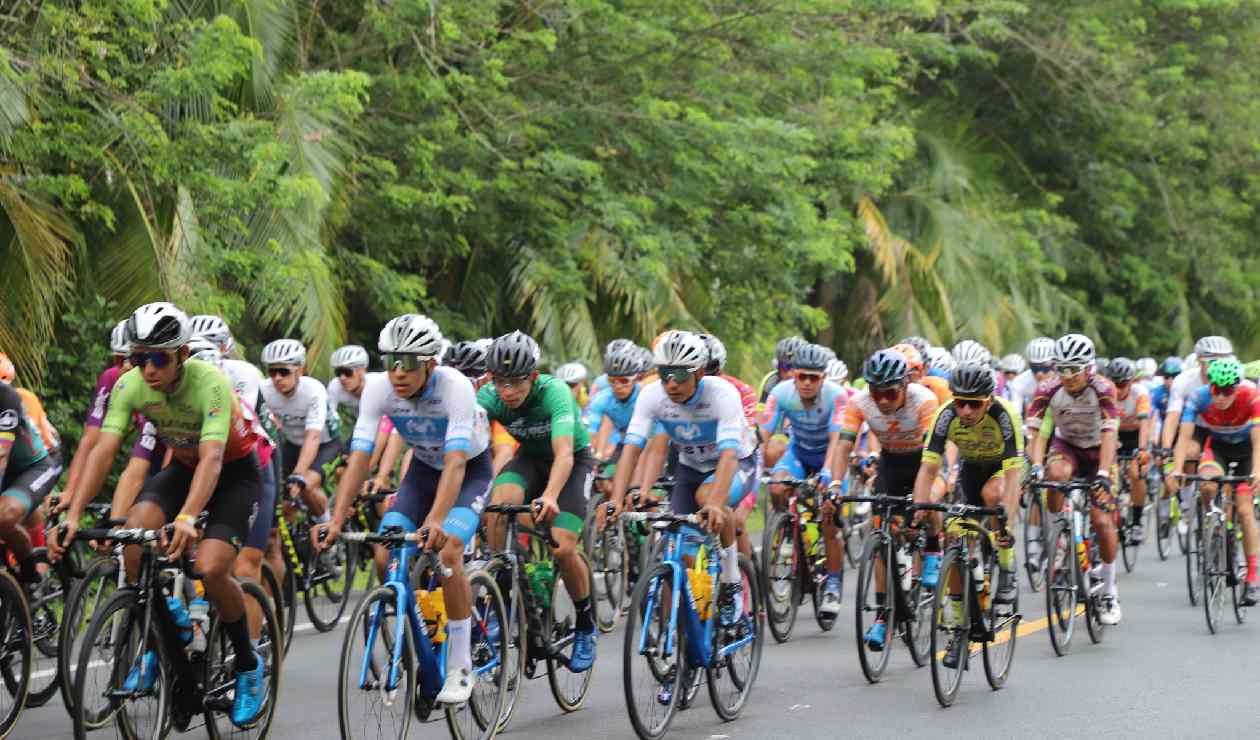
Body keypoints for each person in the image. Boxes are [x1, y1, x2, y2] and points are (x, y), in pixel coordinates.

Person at [51, 302, 267, 724]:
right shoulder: (131, 385)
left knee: (210, 566)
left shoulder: (211, 384)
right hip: (183, 469)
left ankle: (247, 663)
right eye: (139, 358)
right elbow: (104, 450)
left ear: (182, 355)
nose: (148, 369)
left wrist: (187, 518)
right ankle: (165, 627)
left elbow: (213, 459)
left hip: (233, 474)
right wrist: (73, 513)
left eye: (159, 358)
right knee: (134, 536)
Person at [314, 314, 492, 702]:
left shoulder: (455, 387)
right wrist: (336, 517)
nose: (397, 371)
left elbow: (457, 462)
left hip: (468, 473)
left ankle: (461, 665)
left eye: (408, 362)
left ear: (431, 363)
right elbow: (359, 457)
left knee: (447, 552)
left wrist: (436, 519)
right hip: (423, 474)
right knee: (387, 550)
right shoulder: (378, 388)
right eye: (390, 359)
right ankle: (421, 623)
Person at [602, 331, 758, 643]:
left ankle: (730, 581)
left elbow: (728, 455)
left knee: (709, 500)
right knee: (682, 546)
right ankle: (691, 630)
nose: (671, 383)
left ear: (699, 372)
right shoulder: (652, 394)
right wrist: (617, 499)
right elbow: (633, 448)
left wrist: (715, 503)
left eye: (679, 375)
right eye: (664, 374)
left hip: (735, 463)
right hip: (690, 467)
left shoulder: (722, 394)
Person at [478, 331, 599, 673]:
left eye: (516, 382)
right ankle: (503, 590)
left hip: (572, 462)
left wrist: (549, 495)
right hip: (529, 460)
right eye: (501, 382)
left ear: (532, 377)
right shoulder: (489, 397)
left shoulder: (555, 393)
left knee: (562, 547)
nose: (508, 392)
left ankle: (586, 623)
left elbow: (564, 454)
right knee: (497, 508)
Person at [828, 349, 940, 648]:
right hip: (892, 462)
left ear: (904, 385)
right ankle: (882, 615)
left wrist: (921, 498)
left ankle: (931, 551)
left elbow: (932, 459)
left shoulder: (925, 401)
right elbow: (842, 446)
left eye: (890, 393)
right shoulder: (859, 402)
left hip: (923, 460)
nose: (883, 401)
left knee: (931, 498)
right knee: (880, 535)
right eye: (877, 393)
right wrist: (835, 484)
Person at [914, 362, 1023, 667]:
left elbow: (1014, 476)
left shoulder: (1006, 416)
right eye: (959, 402)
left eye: (973, 404)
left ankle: (1006, 566)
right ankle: (960, 631)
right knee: (954, 536)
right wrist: (920, 508)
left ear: (988, 401)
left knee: (994, 496)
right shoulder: (945, 414)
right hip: (971, 470)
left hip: (1003, 470)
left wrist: (1008, 524)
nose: (965, 411)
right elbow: (929, 467)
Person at [1026, 333, 1123, 625]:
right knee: (1054, 475)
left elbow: (1109, 434)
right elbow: (1037, 434)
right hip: (1067, 448)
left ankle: (1109, 589)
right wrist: (1034, 467)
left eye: (1073, 369)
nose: (1066, 376)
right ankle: (1060, 534)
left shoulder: (1104, 389)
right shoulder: (1047, 389)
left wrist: (1104, 474)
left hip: (1098, 452)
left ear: (1088, 367)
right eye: (1061, 368)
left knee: (1103, 521)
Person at [761, 343, 848, 614]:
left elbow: (837, 440)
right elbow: (762, 433)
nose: (808, 383)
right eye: (802, 376)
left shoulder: (837, 396)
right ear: (794, 375)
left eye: (814, 377)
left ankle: (832, 586)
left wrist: (827, 472)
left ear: (823, 378)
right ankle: (785, 532)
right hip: (798, 453)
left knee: (829, 519)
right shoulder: (780, 393)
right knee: (777, 487)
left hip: (829, 455)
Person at [1169, 358, 1260, 605]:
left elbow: (1257, 441)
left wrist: (1258, 472)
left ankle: (1252, 577)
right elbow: (1184, 438)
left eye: (1227, 390)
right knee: (1208, 483)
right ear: (1210, 387)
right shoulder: (1199, 398)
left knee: (1244, 508)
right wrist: (1177, 470)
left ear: (1237, 387)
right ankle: (1214, 523)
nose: (1221, 396)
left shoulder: (1250, 396)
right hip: (1217, 446)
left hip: (1246, 453)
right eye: (1216, 390)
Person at [259, 339, 340, 519]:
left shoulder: (313, 391)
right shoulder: (264, 390)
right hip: (293, 445)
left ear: (300, 370)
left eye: (284, 371)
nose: (277, 378)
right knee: (284, 503)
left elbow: (313, 436)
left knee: (306, 486)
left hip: (325, 445)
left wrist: (298, 473)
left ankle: (326, 529)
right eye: (272, 371)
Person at [1107, 358, 1152, 541]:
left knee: (1136, 473)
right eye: (1114, 383)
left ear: (1131, 381)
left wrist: (1142, 449)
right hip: (1114, 433)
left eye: (1123, 383)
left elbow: (1144, 423)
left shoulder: (1139, 393)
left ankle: (1137, 522)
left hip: (1135, 435)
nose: (1118, 388)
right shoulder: (1105, 393)